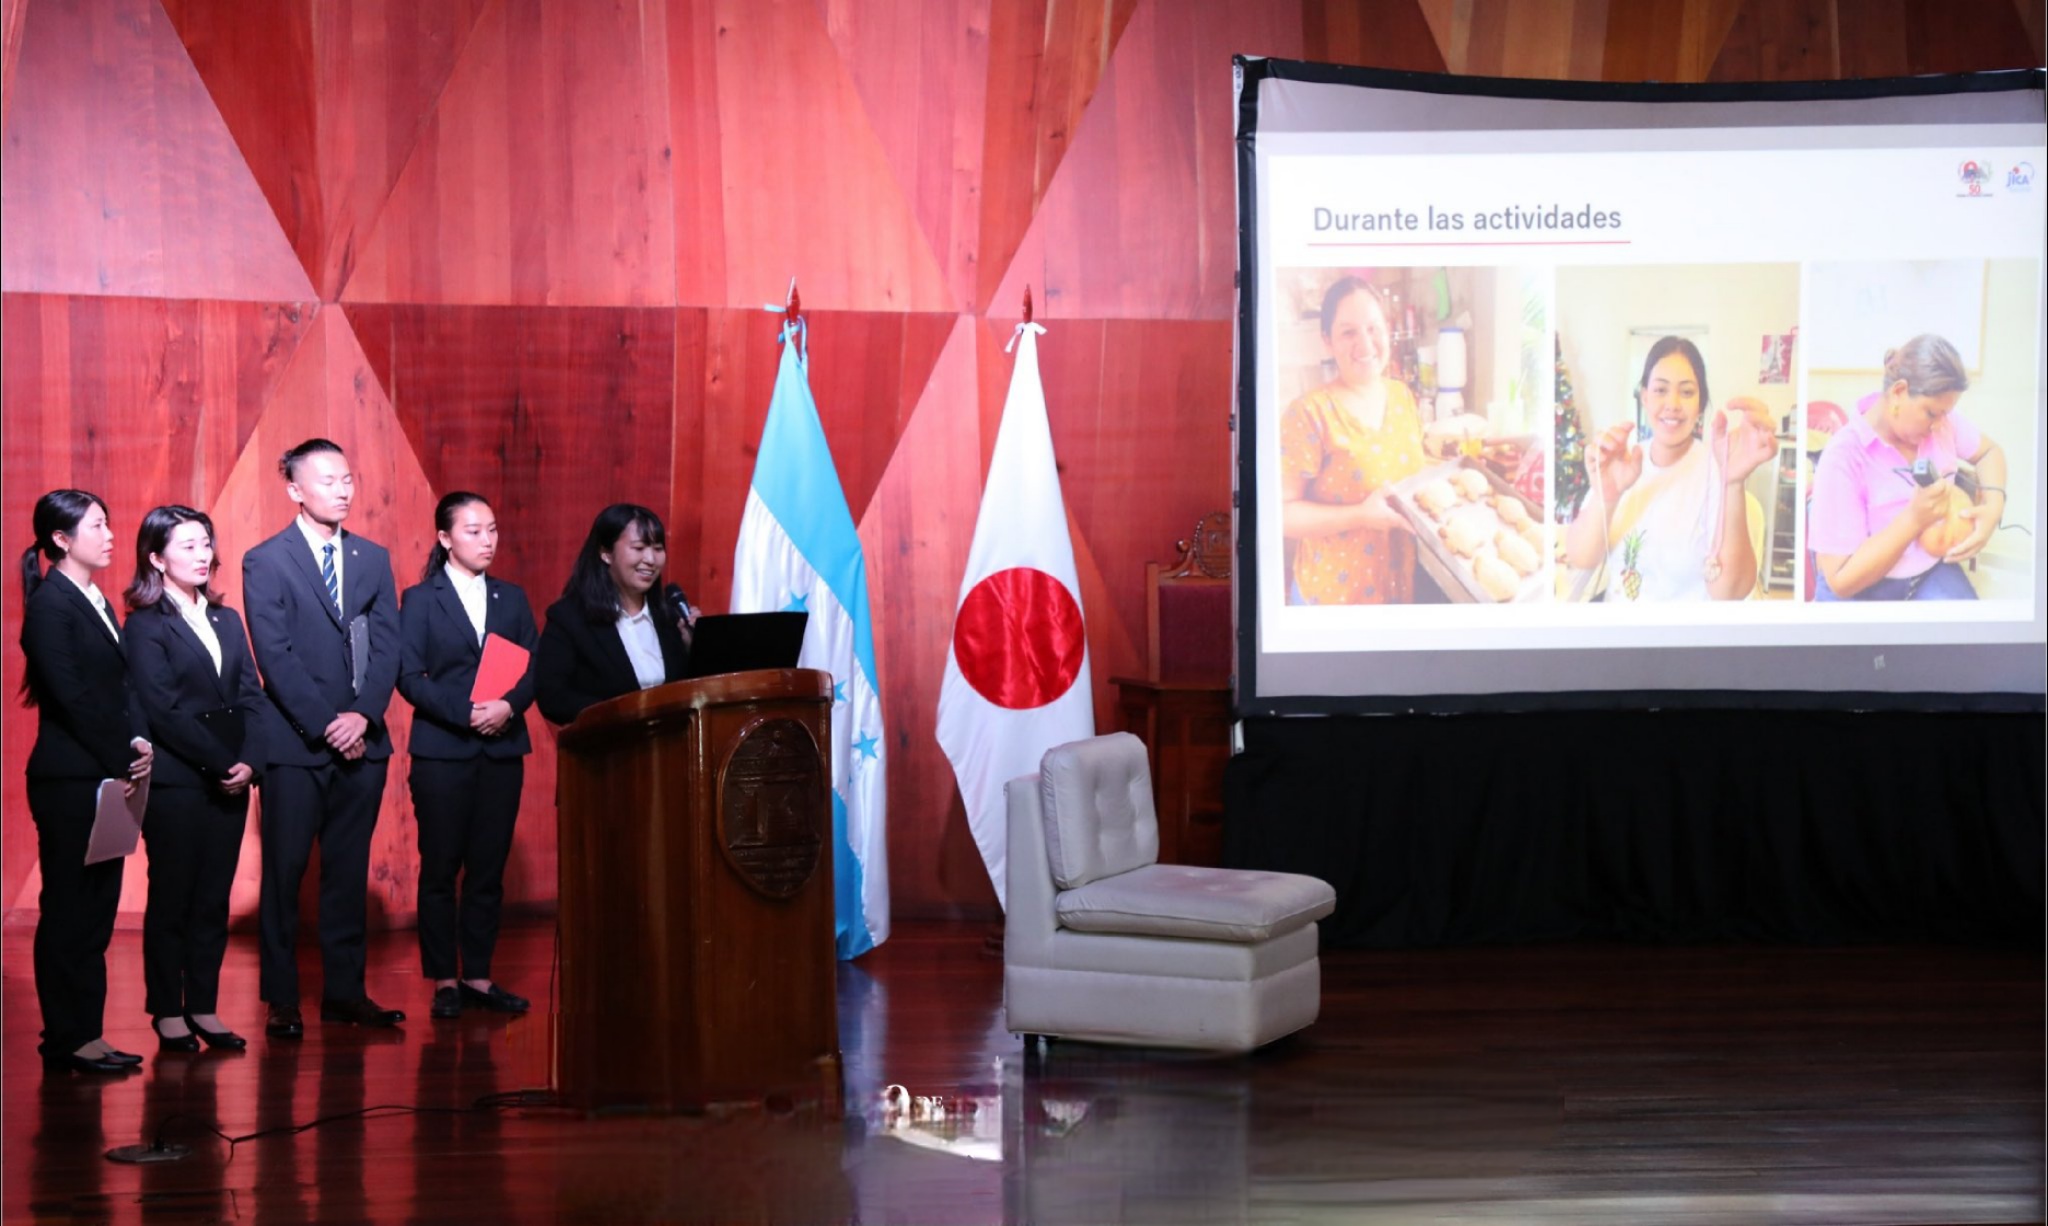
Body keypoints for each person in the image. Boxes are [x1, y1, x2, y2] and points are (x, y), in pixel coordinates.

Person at [241, 439, 404, 1038]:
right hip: (296, 745)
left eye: (348, 478)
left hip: (365, 741)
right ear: (295, 490)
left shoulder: (372, 557)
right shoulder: (266, 560)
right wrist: (329, 724)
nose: (343, 489)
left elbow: (389, 646)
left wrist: (363, 715)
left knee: (346, 871)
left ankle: (345, 993)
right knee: (285, 875)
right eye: (329, 479)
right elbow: (274, 656)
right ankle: (282, 999)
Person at [123, 506, 269, 1054]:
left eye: (205, 542)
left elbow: (252, 696)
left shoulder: (226, 619)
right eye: (186, 545)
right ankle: (166, 1010)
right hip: (179, 783)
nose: (202, 554)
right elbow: (162, 711)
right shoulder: (143, 625)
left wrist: (250, 762)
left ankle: (203, 1007)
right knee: (174, 899)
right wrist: (219, 763)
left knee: (212, 900)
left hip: (232, 778)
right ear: (157, 559)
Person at [17, 490, 153, 1074]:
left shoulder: (94, 598)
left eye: (108, 521)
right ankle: (65, 1037)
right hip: (72, 779)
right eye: (97, 525)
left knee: (97, 911)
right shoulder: (51, 604)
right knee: (70, 909)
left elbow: (122, 690)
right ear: (61, 541)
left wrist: (140, 742)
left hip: (107, 774)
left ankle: (88, 1033)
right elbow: (72, 698)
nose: (111, 534)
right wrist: (123, 754)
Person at [398, 492, 539, 1020]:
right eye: (474, 531)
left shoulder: (512, 598)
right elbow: (408, 676)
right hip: (443, 752)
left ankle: (479, 976)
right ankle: (444, 980)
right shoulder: (420, 599)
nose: (487, 541)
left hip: (502, 750)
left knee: (487, 868)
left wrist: (507, 706)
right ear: (445, 538)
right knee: (440, 868)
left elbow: (533, 666)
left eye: (493, 530)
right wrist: (467, 712)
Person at [1563, 336, 1775, 601]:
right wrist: (1607, 496)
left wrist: (1732, 483)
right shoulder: (1624, 462)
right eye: (1660, 390)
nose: (1673, 404)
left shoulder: (1717, 470)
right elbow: (1581, 556)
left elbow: (1729, 593)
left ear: (1700, 404)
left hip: (1683, 639)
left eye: (1686, 392)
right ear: (1645, 397)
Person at [1808, 334, 2008, 601]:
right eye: (1931, 413)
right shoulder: (1843, 456)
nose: (1939, 424)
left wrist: (1994, 508)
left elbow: (1990, 453)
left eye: (1945, 413)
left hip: (1928, 571)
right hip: (1861, 585)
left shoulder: (1943, 424)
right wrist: (1913, 520)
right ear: (1899, 392)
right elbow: (1841, 581)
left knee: (1968, 635)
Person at [1279, 276, 1429, 604]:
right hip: (1333, 600)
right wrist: (1360, 514)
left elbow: (1411, 470)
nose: (1365, 344)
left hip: (1397, 590)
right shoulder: (1308, 413)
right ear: (1327, 341)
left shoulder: (1402, 396)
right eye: (1348, 332)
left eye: (1373, 328)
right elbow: (1283, 514)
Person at [535, 503, 690, 725]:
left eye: (658, 548)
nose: (651, 559)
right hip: (607, 752)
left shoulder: (669, 616)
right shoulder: (570, 618)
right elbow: (552, 697)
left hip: (670, 751)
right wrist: (621, 714)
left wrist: (692, 645)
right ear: (606, 553)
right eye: (639, 548)